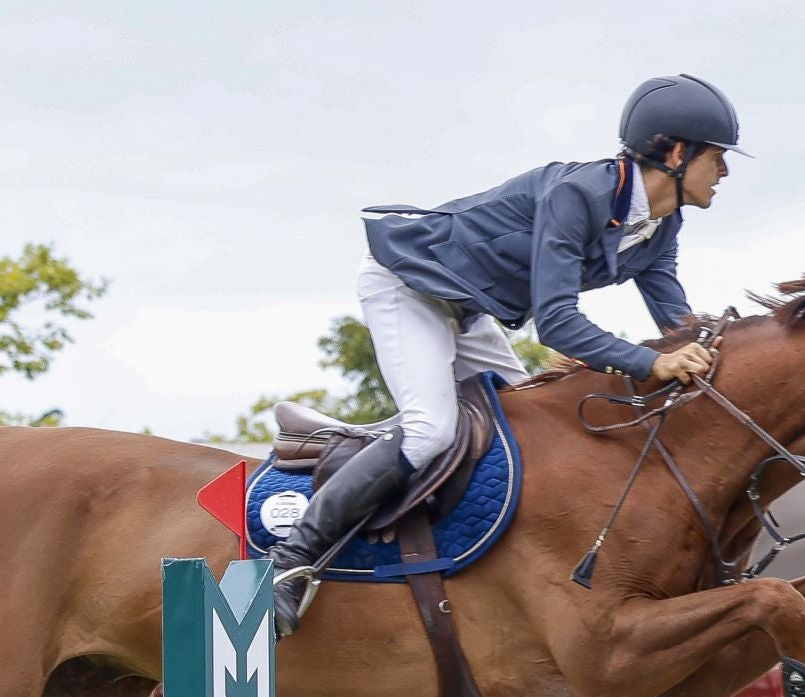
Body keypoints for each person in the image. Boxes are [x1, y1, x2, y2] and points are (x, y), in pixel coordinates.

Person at [267, 74, 745, 636]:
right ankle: (291, 563)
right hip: (409, 286)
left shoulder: (662, 224)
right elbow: (559, 322)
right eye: (719, 156)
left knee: (534, 431)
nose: (726, 172)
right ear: (678, 151)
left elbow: (675, 322)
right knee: (429, 432)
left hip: (467, 309)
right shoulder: (581, 194)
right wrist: (650, 364)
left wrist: (711, 350)